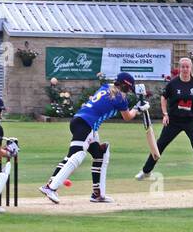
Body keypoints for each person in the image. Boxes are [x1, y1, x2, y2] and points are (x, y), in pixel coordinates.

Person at [39, 72, 145, 204]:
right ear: (124, 85)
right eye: (129, 89)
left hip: (83, 123)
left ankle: (98, 194)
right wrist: (138, 109)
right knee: (77, 155)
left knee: (100, 154)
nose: (129, 92)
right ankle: (50, 187)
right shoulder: (120, 98)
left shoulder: (106, 87)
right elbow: (128, 117)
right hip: (86, 124)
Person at [137, 56, 193, 180]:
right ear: (179, 68)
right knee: (160, 144)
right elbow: (163, 97)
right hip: (174, 120)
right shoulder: (173, 83)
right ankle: (146, 171)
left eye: (187, 67)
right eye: (183, 67)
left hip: (191, 120)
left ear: (190, 68)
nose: (185, 69)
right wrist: (165, 114)